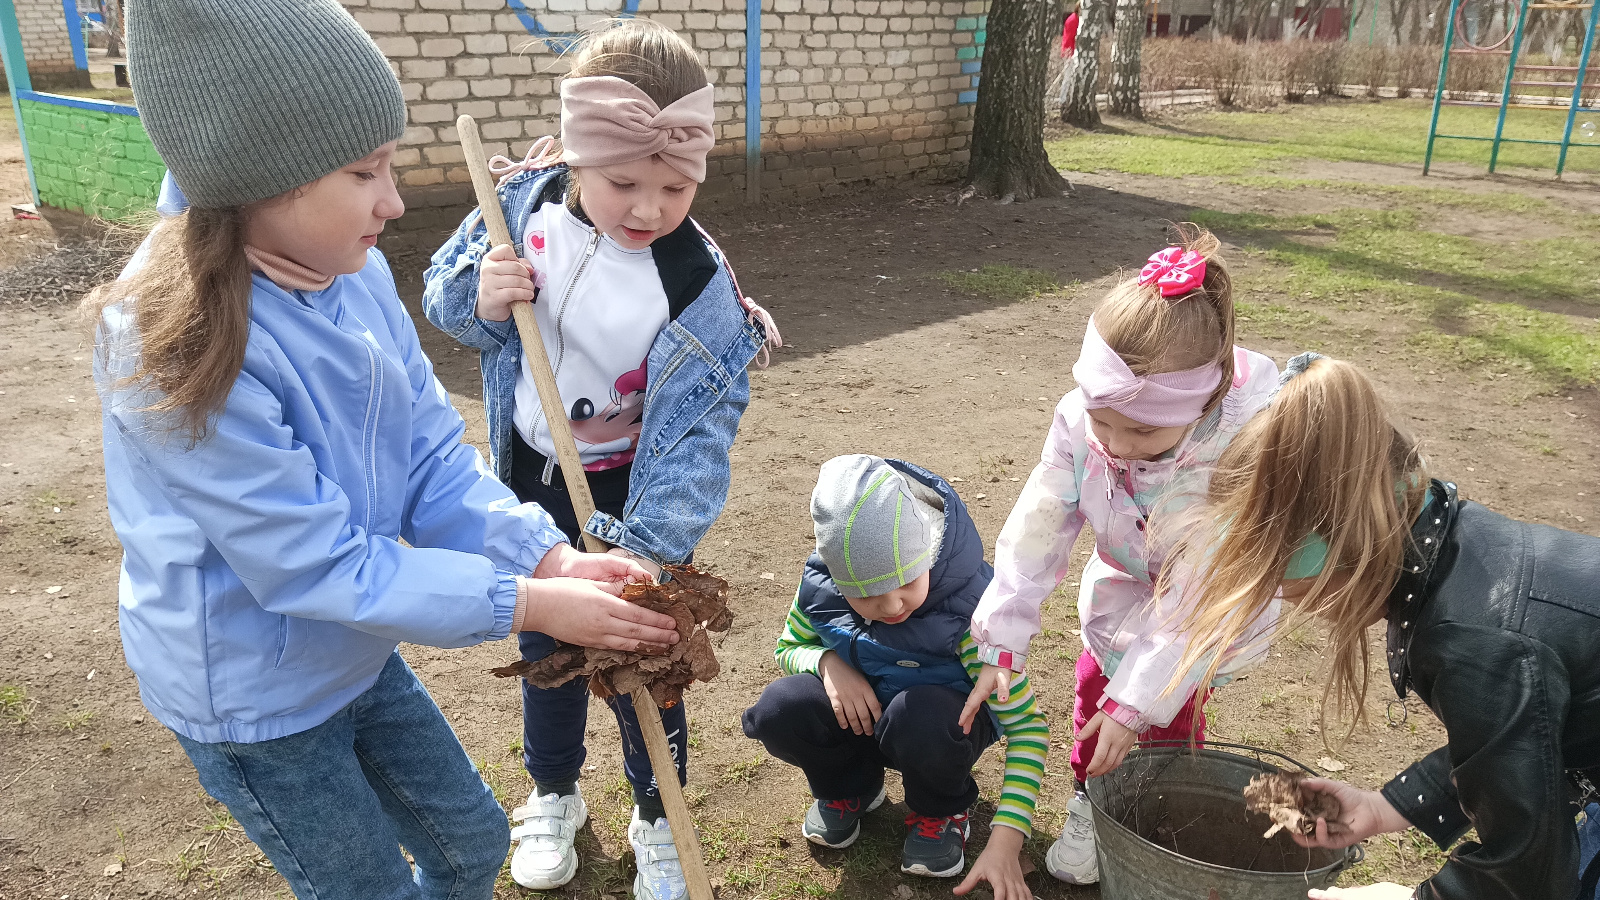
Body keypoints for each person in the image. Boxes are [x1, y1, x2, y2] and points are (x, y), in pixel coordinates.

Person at [91, 2, 679, 898]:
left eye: (391, 163)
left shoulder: (354, 274)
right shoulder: (174, 339)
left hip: (353, 651)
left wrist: (547, 553)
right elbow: (312, 567)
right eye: (364, 172)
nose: (395, 201)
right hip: (256, 699)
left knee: (469, 847)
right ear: (261, 179)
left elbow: (431, 459)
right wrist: (532, 604)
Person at [421, 19, 779, 899]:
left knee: (645, 664)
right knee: (549, 645)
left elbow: (700, 438)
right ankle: (554, 794)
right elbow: (443, 297)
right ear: (578, 157)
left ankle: (660, 814)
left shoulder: (698, 283)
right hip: (533, 485)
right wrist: (483, 300)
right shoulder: (520, 209)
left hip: (637, 499)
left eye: (677, 185)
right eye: (624, 181)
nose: (649, 208)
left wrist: (644, 550)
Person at [1160, 353, 1600, 900]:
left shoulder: (1476, 642)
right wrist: (1381, 807)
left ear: (1344, 552)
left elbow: (1528, 875)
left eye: (1303, 593)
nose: (1303, 607)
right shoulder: (1459, 556)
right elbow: (1522, 743)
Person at [964, 229, 1280, 885]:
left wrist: (1135, 704)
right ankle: (1092, 800)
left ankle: (1154, 814)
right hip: (1128, 577)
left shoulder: (1231, 461)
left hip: (1207, 606)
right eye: (1103, 419)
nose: (1116, 443)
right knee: (1092, 688)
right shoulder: (1085, 424)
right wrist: (1003, 634)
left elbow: (1193, 601)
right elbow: (1040, 522)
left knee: (1166, 715)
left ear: (1206, 401)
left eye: (1142, 430)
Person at [742, 456, 1048, 900]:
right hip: (867, 718)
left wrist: (1008, 836)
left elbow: (1028, 727)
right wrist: (829, 665)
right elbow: (788, 648)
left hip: (939, 728)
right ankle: (852, 787)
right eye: (863, 594)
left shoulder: (972, 615)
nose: (889, 606)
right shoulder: (824, 591)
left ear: (928, 550)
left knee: (919, 717)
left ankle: (942, 810)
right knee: (780, 708)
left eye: (904, 581)